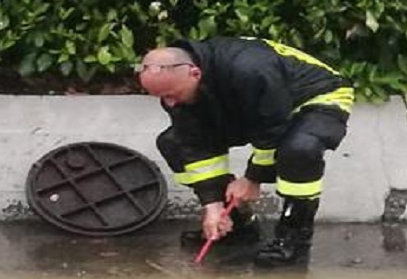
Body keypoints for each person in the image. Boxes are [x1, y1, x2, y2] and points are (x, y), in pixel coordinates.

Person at [136, 36, 353, 266]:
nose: (169, 104)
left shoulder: (251, 68)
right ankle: (236, 225)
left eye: (171, 94)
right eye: (161, 97)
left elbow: (273, 128)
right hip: (250, 106)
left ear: (195, 74)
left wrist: (253, 179)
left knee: (300, 149)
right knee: (173, 142)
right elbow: (195, 141)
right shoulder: (177, 91)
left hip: (315, 97)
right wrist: (213, 205)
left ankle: (294, 238)